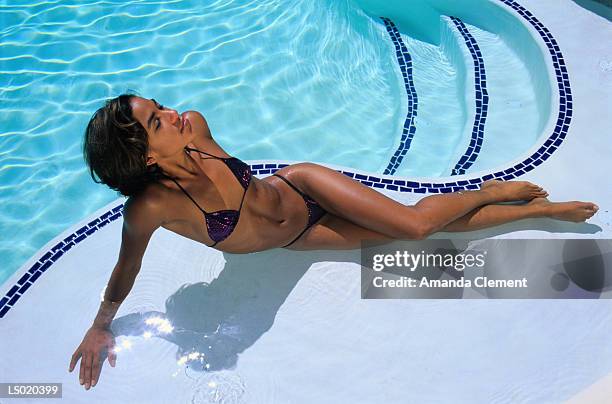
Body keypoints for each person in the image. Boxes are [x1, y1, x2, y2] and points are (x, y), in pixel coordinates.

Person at [69, 93, 599, 390]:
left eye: (158, 103)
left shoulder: (197, 129)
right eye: (157, 119)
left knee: (414, 226)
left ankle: (491, 191)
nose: (173, 111)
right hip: (299, 238)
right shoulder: (152, 207)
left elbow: (240, 174)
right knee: (409, 241)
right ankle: (536, 210)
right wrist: (100, 327)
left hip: (302, 185)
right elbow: (126, 267)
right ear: (144, 157)